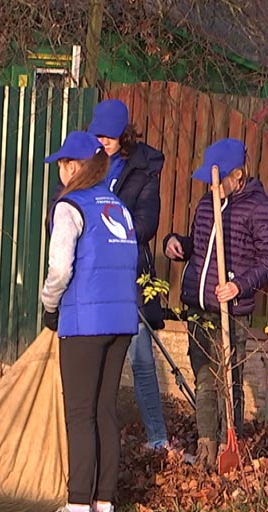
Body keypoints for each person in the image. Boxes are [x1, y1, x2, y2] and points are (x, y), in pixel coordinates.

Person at [34, 131, 138, 512]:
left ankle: (77, 509)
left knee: (79, 412)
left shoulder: (69, 206)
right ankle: (105, 507)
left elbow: (60, 269)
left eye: (63, 164)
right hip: (122, 321)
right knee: (105, 411)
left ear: (76, 167)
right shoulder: (119, 207)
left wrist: (49, 306)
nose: (60, 171)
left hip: (84, 321)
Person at [162, 138, 268, 468]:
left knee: (229, 383)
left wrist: (238, 285)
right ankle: (206, 448)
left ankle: (232, 445)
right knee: (203, 379)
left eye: (217, 182)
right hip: (198, 307)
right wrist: (176, 244)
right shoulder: (207, 204)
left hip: (231, 309)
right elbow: (200, 247)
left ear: (237, 175)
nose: (211, 188)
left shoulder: (256, 207)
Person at [87, 99, 171, 451]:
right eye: (98, 135)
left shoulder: (142, 170)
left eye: (109, 136)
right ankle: (83, 433)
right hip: (91, 274)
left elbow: (146, 225)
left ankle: (157, 438)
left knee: (140, 358)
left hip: (128, 275)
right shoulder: (90, 164)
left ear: (123, 134)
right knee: (89, 359)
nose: (103, 142)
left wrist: (106, 230)